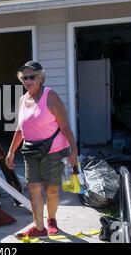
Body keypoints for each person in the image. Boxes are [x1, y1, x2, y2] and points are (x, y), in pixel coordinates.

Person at [5, 61, 78, 238]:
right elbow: (21, 129)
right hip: (31, 152)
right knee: (34, 188)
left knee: (51, 190)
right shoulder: (23, 99)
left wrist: (74, 150)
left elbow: (64, 125)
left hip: (53, 151)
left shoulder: (50, 96)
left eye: (32, 77)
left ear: (40, 77)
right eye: (24, 78)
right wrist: (11, 151)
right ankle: (39, 228)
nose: (28, 81)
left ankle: (51, 220)